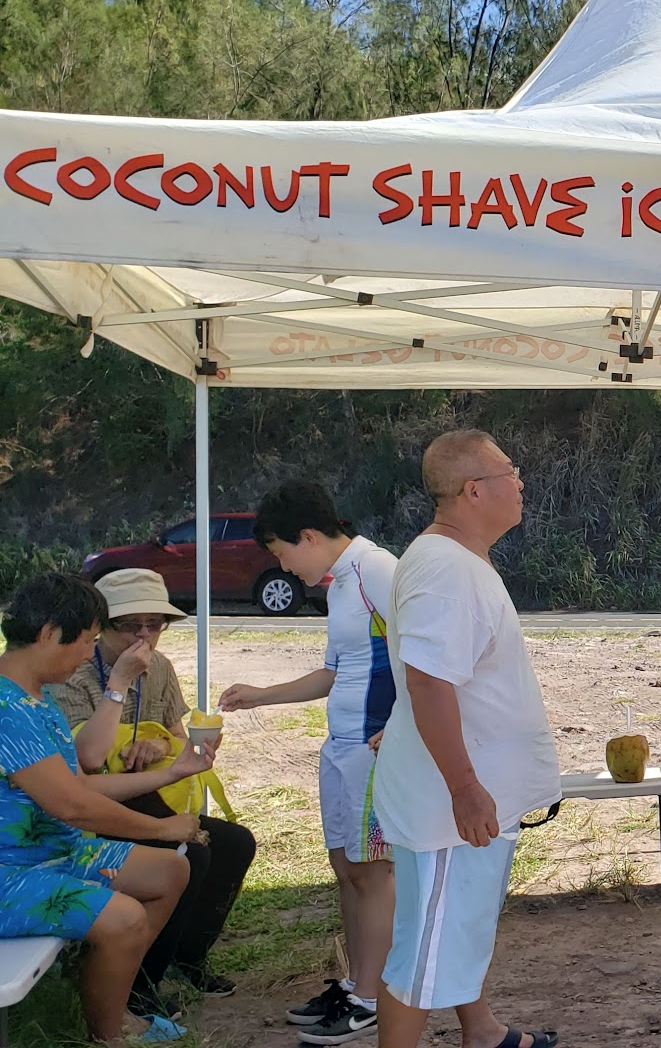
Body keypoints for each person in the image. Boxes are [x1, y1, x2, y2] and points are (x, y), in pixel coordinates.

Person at [372, 430, 558, 1048]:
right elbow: (428, 683)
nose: (521, 481)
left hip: (457, 800)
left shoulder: (454, 559)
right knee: (421, 961)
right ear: (475, 489)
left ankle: (481, 1032)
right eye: (512, 470)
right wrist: (465, 786)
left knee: (453, 929)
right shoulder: (446, 569)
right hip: (447, 805)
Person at [219, 482, 398, 1045]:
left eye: (280, 553)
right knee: (347, 869)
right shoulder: (340, 585)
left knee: (373, 873)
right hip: (341, 748)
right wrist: (262, 694)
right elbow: (335, 672)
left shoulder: (378, 571)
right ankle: (355, 985)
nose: (282, 566)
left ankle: (373, 999)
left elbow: (425, 653)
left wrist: (403, 728)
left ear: (309, 536)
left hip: (376, 751)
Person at [0, 573, 200, 1044]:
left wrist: (169, 774)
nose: (86, 654)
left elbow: (78, 784)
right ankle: (111, 1034)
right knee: (126, 918)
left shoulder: (35, 696)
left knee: (170, 873)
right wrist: (160, 826)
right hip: (11, 874)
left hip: (53, 857)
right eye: (86, 641)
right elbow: (72, 805)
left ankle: (103, 985)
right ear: (50, 633)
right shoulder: (7, 708)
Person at [50, 568, 258, 1018]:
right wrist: (118, 683)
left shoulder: (159, 667)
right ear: (101, 626)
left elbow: (175, 733)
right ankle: (142, 981)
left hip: (145, 790)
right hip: (93, 798)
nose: (144, 635)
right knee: (188, 853)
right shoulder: (73, 671)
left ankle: (188, 956)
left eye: (155, 623)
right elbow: (86, 760)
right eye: (129, 625)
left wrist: (161, 743)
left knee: (235, 842)